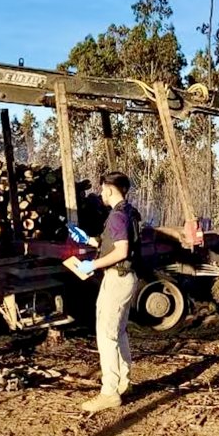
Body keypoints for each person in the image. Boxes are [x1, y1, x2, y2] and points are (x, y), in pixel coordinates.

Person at [75, 172, 141, 412]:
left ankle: (109, 392)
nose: (101, 194)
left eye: (103, 189)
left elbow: (122, 251)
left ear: (110, 189)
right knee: (119, 331)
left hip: (117, 279)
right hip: (125, 278)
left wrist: (92, 264)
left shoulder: (116, 215)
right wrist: (91, 241)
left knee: (106, 335)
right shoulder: (128, 212)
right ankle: (124, 382)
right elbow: (114, 242)